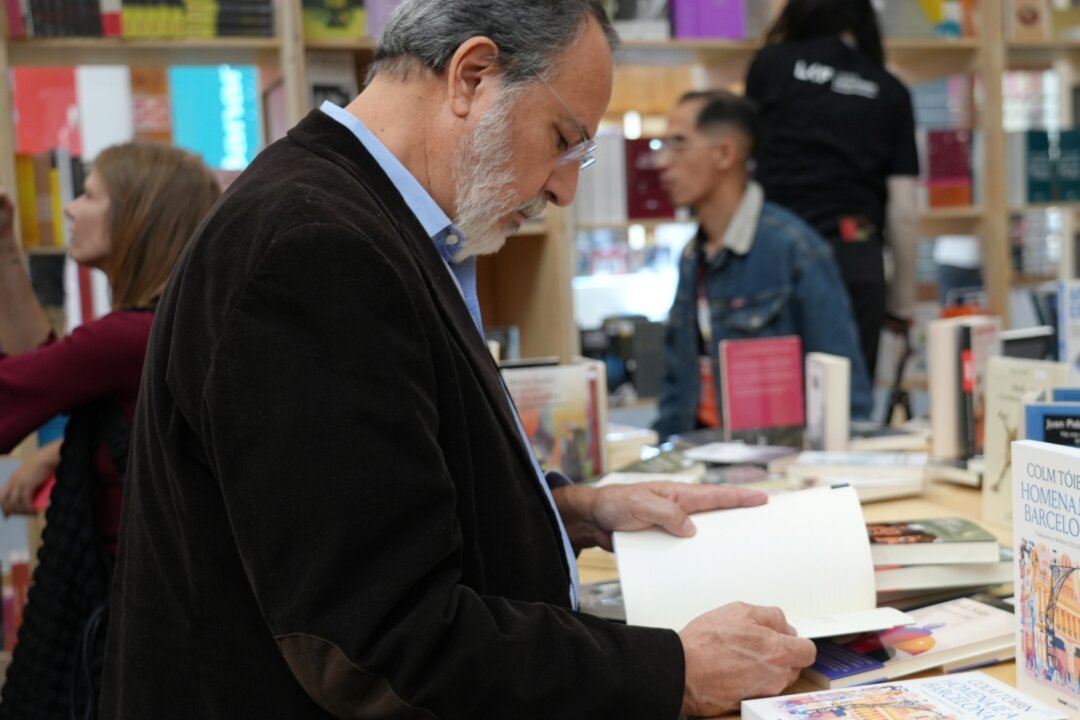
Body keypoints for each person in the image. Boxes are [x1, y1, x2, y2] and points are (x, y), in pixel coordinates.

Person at [101, 2, 816, 718]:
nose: (563, 189)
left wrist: (567, 511)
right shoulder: (313, 250)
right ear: (472, 76)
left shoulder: (360, 219)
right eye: (563, 138)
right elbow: (383, 644)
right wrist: (675, 672)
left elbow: (369, 502)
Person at [0, 142, 221, 718]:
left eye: (90, 195)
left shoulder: (125, 340)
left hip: (137, 636)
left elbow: (21, 393)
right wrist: (4, 252)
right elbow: (55, 376)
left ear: (137, 217)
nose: (71, 208)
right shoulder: (172, 324)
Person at [651, 90, 872, 440]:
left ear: (725, 153)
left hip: (777, 471)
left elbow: (847, 400)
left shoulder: (794, 250)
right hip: (698, 463)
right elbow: (677, 390)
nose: (662, 162)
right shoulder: (693, 257)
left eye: (678, 143)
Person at [746, 0, 921, 384]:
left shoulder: (771, 65)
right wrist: (901, 304)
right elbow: (904, 212)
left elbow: (744, 164)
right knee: (849, 414)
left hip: (778, 257)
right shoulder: (890, 90)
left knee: (774, 416)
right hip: (855, 256)